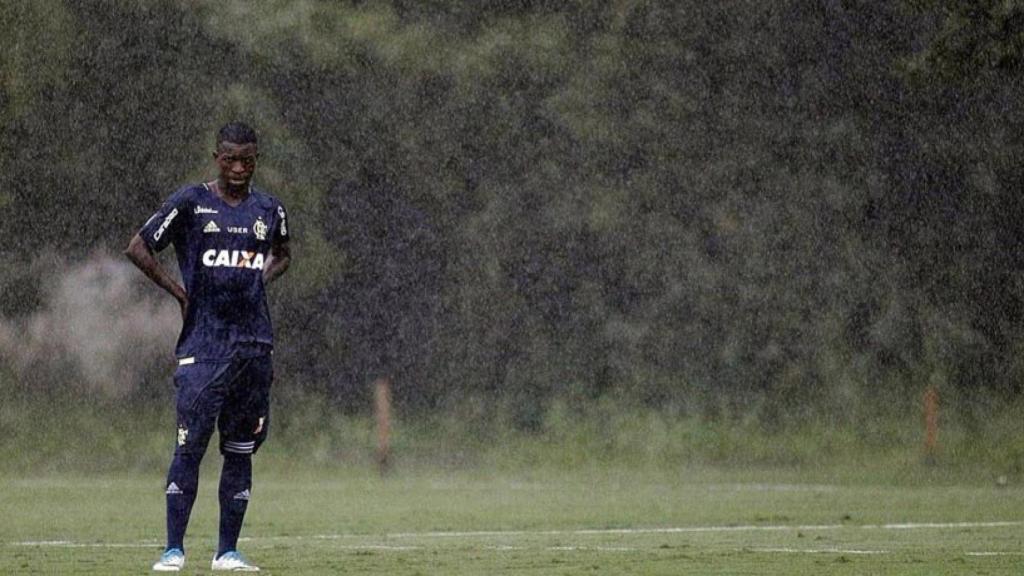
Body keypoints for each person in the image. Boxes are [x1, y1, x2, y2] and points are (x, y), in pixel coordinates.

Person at [125, 122, 291, 572]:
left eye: (247, 160)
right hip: (205, 344)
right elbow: (138, 247)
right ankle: (173, 549)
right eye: (230, 159)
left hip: (254, 345)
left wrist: (262, 277)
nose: (239, 168)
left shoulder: (269, 208)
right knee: (190, 445)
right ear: (217, 157)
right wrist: (179, 293)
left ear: (256, 159)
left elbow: (284, 252)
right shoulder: (191, 203)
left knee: (239, 449)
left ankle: (227, 552)